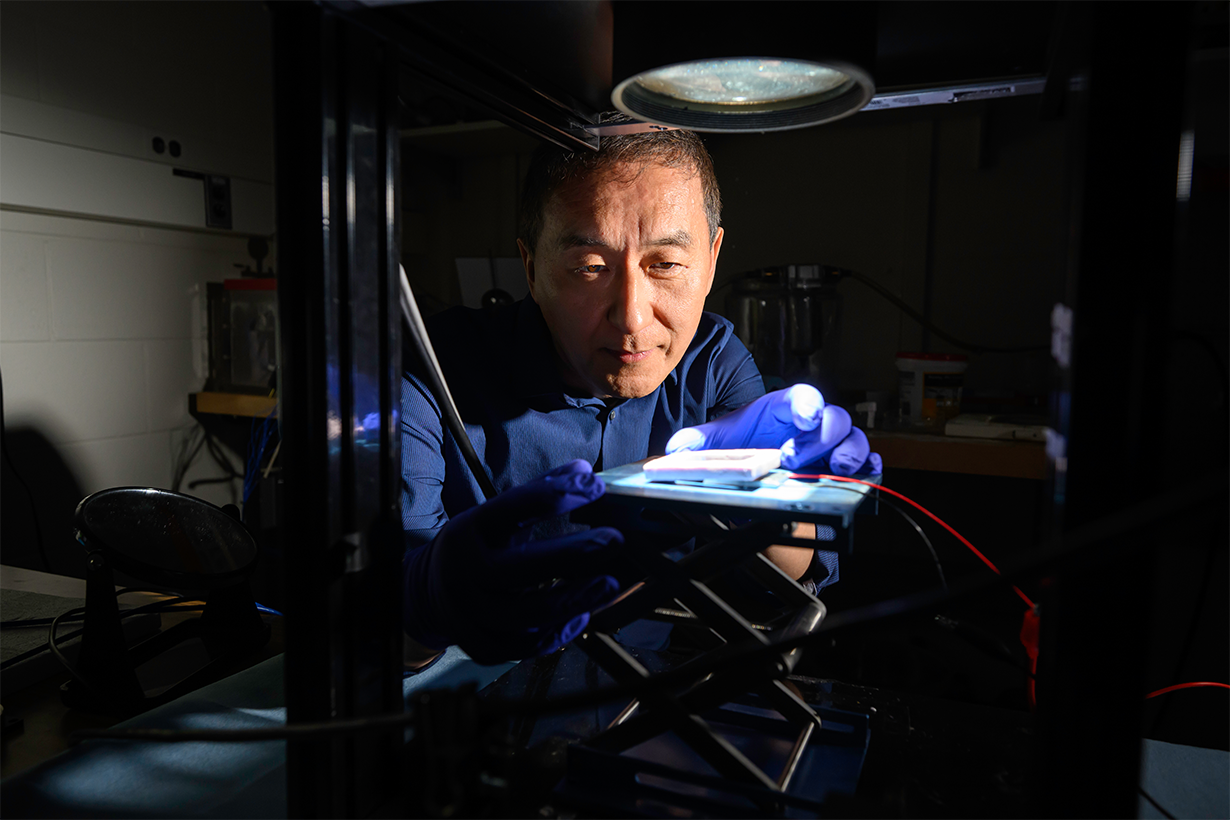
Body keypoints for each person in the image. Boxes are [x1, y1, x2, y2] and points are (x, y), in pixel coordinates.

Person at [401, 117, 880, 667]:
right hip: (463, 709)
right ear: (531, 268)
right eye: (590, 267)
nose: (631, 316)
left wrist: (775, 507)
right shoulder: (431, 368)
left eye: (667, 264)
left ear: (712, 260)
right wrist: (425, 606)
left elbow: (777, 587)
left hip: (639, 694)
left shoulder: (712, 362)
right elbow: (375, 633)